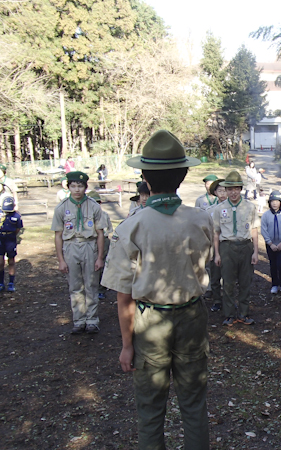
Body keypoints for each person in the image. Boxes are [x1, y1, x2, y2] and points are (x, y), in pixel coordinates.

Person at [101, 130, 211, 449]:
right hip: (191, 316)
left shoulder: (131, 226)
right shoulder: (201, 220)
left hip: (150, 323)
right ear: (184, 174)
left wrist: (126, 344)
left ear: (145, 178)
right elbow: (203, 265)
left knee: (150, 412)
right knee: (194, 405)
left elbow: (124, 294)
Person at [51, 171, 105, 334]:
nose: (77, 190)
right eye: (73, 186)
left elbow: (100, 233)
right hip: (71, 246)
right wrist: (60, 259)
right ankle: (79, 320)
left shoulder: (94, 206)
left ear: (85, 188)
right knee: (75, 285)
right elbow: (58, 235)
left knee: (91, 284)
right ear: (68, 187)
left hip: (89, 246)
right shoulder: (61, 208)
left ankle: (92, 320)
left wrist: (100, 257)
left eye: (80, 186)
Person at [214, 170, 260, 326]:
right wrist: (217, 254)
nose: (233, 192)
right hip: (227, 247)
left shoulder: (250, 207)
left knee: (245, 281)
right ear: (226, 191)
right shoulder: (219, 208)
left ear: (241, 189)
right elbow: (216, 232)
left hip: (245, 246)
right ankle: (228, 314)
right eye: (229, 189)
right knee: (228, 282)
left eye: (236, 189)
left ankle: (244, 313)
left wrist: (255, 252)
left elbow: (254, 230)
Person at [261, 190, 281, 295]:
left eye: (277, 201)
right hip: (270, 245)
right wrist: (270, 243)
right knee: (273, 264)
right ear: (269, 202)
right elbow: (263, 230)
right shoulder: (266, 215)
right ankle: (274, 284)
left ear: (280, 202)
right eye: (272, 201)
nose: (274, 203)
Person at [206, 177, 228, 312]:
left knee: (229, 275)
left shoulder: (234, 209)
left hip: (228, 245)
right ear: (215, 193)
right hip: (214, 246)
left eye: (225, 190)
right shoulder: (210, 211)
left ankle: (228, 300)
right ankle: (217, 300)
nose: (223, 194)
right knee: (215, 275)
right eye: (220, 191)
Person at [87, 190, 113, 300]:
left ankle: (101, 289)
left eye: (98, 202)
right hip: (91, 241)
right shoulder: (86, 216)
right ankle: (90, 288)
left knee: (102, 264)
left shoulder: (104, 214)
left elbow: (109, 229)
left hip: (104, 240)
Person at [0, 196, 22, 292]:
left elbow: (18, 228)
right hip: (1, 238)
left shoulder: (16, 216)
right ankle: (1, 283)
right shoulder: (1, 215)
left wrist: (12, 235)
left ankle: (11, 283)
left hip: (10, 239)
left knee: (11, 261)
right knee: (0, 262)